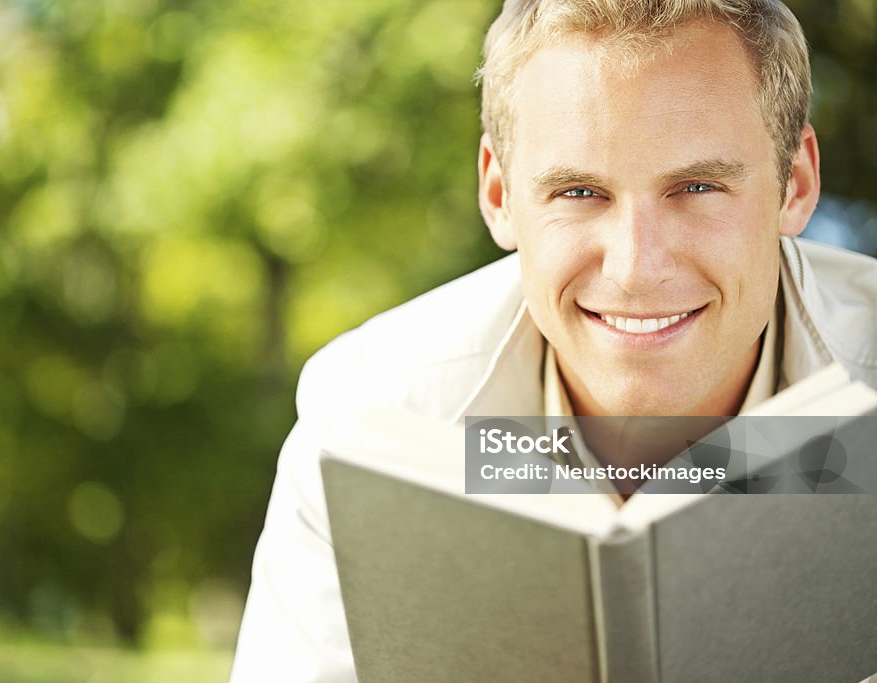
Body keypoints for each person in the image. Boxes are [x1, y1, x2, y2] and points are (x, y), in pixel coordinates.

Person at [230, 0, 877, 680]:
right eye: (578, 191)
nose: (635, 269)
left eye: (697, 185)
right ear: (500, 193)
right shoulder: (370, 419)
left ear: (795, 184)